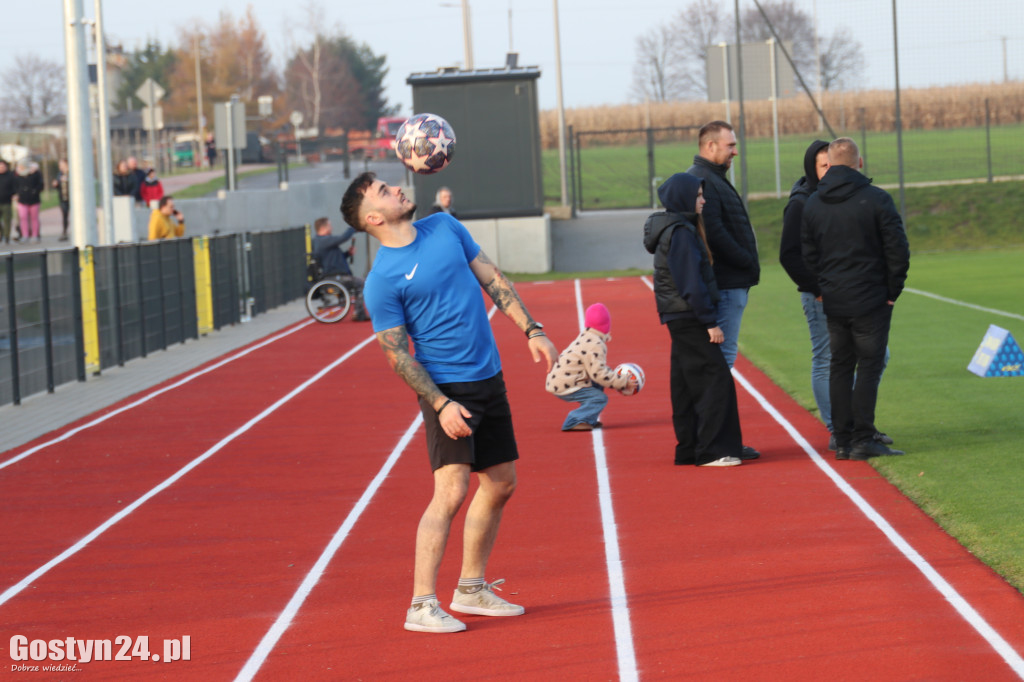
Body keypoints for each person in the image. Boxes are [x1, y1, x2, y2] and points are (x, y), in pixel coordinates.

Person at [340, 171, 558, 634]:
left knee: (501, 482)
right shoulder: (382, 281)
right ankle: (420, 604)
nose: (398, 188)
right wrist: (440, 405)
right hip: (447, 390)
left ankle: (471, 589)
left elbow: (492, 279)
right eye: (384, 191)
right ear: (373, 217)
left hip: (488, 377)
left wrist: (533, 330)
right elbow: (398, 356)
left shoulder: (445, 226)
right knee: (452, 490)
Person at [801, 138, 910, 462]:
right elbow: (897, 250)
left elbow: (809, 254)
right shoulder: (876, 199)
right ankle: (863, 437)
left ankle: (844, 439)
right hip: (870, 298)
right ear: (859, 163)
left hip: (834, 298)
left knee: (840, 365)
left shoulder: (814, 203)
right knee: (869, 366)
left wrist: (824, 286)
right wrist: (892, 292)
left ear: (831, 164)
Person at [781, 141, 894, 452]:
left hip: (839, 291)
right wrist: (818, 288)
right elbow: (792, 254)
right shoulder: (805, 203)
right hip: (823, 294)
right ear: (812, 170)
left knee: (864, 359)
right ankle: (839, 429)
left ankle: (853, 428)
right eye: (824, 166)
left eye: (831, 163)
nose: (831, 171)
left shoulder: (845, 200)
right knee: (830, 359)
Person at [644, 172, 745, 467]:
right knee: (715, 380)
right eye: (699, 195)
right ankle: (714, 450)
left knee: (686, 382)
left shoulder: (674, 228)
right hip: (689, 316)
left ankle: (689, 447)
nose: (703, 200)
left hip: (679, 315)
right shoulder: (682, 233)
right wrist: (709, 321)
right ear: (684, 198)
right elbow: (690, 282)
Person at [686, 120, 760, 461]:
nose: (735, 150)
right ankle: (719, 442)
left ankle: (717, 439)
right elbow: (713, 232)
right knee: (720, 366)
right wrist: (746, 260)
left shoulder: (713, 180)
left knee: (719, 365)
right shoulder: (705, 181)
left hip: (732, 283)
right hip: (727, 284)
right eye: (730, 145)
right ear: (710, 147)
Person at [544, 302, 636, 431]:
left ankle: (588, 419)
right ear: (606, 326)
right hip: (565, 383)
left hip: (561, 379)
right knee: (599, 398)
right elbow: (598, 374)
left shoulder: (586, 336)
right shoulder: (596, 344)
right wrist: (623, 382)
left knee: (598, 386)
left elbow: (597, 372)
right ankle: (574, 420)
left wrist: (614, 380)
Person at [310, 216, 369, 321]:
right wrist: (353, 227)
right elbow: (343, 238)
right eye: (330, 225)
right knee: (361, 283)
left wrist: (347, 254)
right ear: (324, 227)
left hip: (335, 275)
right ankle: (359, 313)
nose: (331, 228)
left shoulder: (321, 242)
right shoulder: (323, 240)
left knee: (358, 282)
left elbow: (332, 259)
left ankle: (358, 311)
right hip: (334, 277)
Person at [14, 161, 44, 242]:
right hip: (22, 200)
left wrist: (35, 191)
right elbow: (14, 185)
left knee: (34, 218)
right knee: (23, 217)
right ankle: (25, 235)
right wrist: (16, 193)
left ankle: (35, 235)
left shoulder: (35, 173)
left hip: (34, 199)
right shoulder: (17, 175)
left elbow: (40, 185)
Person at [52, 158, 70, 241]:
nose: (60, 167)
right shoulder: (60, 174)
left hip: (71, 198)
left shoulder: (71, 172)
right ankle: (64, 232)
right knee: (64, 215)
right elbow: (58, 182)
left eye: (61, 165)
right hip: (63, 198)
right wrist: (56, 184)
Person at [0, 160, 14, 244]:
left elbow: (15, 187)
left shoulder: (10, 176)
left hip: (7, 202)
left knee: (7, 220)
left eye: (2, 166)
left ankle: (7, 236)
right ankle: (2, 234)